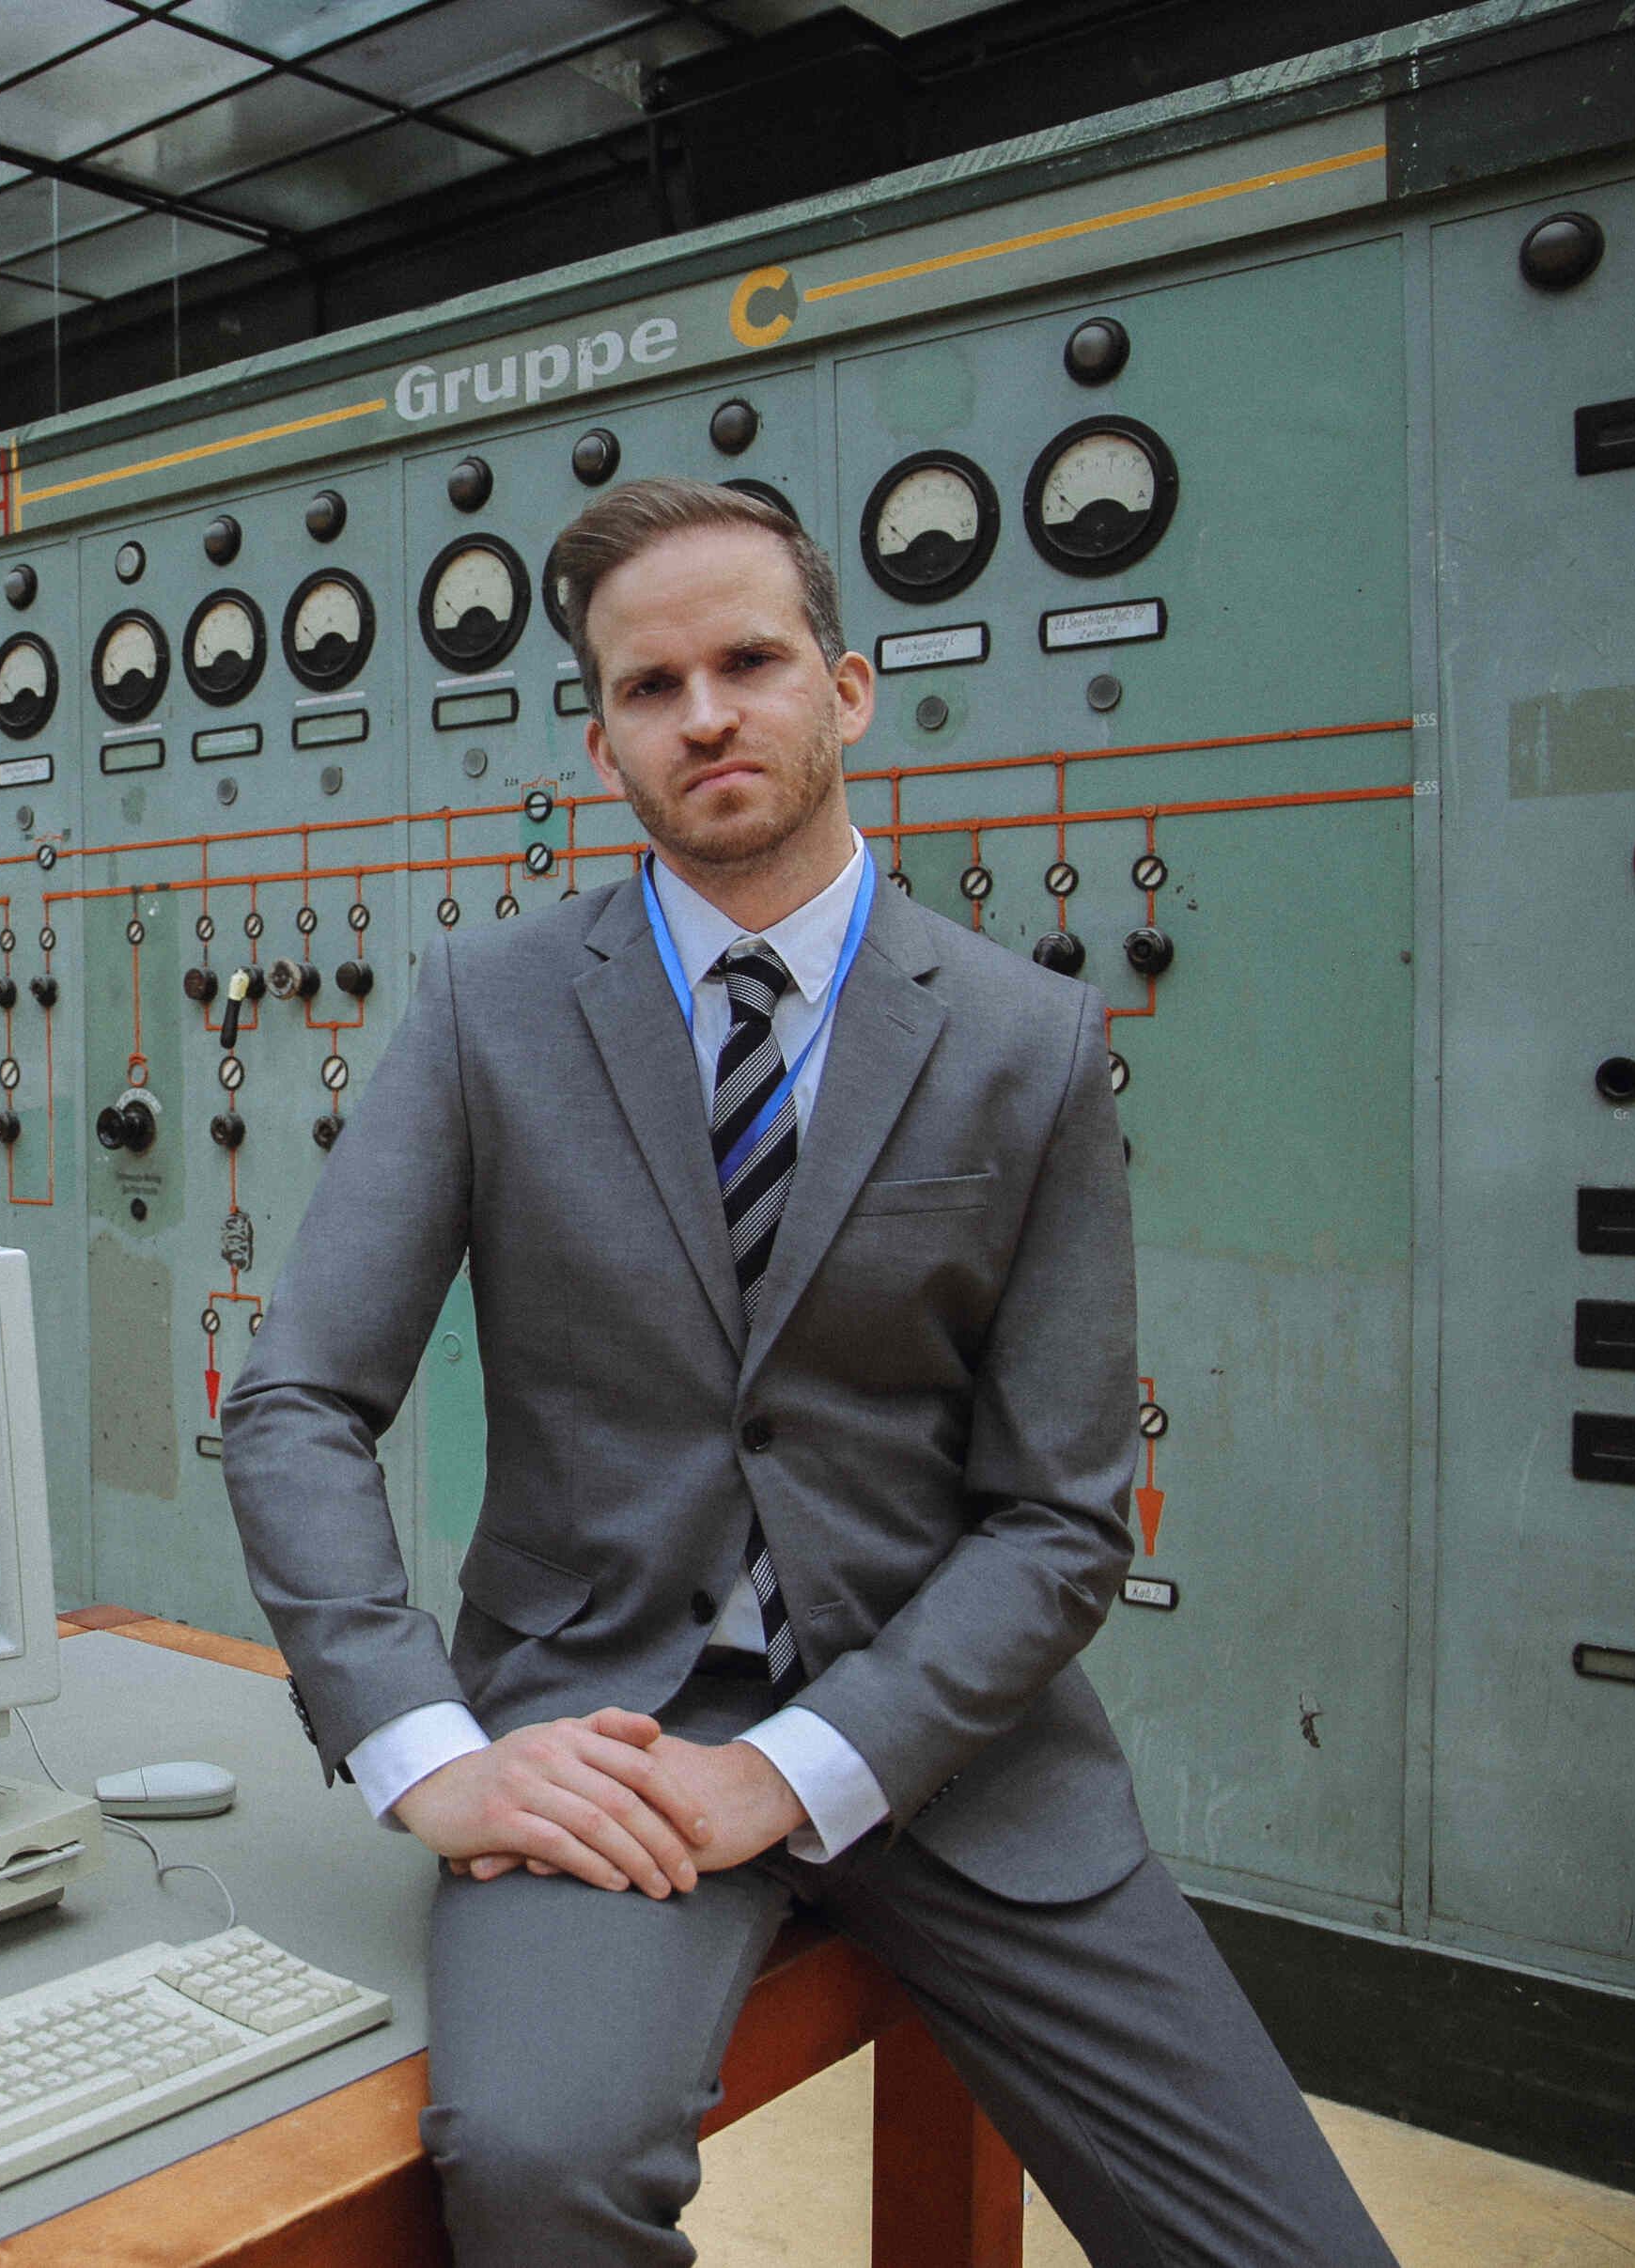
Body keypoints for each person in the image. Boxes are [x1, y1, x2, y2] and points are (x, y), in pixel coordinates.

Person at [221, 479, 1391, 2266]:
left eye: (750, 662)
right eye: (650, 685)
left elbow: (1059, 1519)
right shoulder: (487, 1008)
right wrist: (422, 1745)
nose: (705, 716)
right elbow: (298, 1398)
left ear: (845, 690)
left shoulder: (1026, 1040)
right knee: (536, 2172)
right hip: (604, 1736)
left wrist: (794, 1767)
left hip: (953, 1740)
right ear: (602, 741)